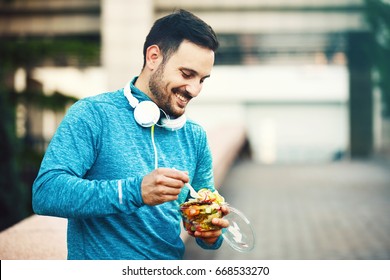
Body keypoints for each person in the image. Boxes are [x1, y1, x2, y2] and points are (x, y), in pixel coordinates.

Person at [32, 9, 229, 260]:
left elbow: (205, 222)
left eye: (203, 79)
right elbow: (46, 192)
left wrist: (209, 232)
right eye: (187, 74)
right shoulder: (93, 114)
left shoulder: (195, 137)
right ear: (154, 57)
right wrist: (135, 191)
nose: (195, 90)